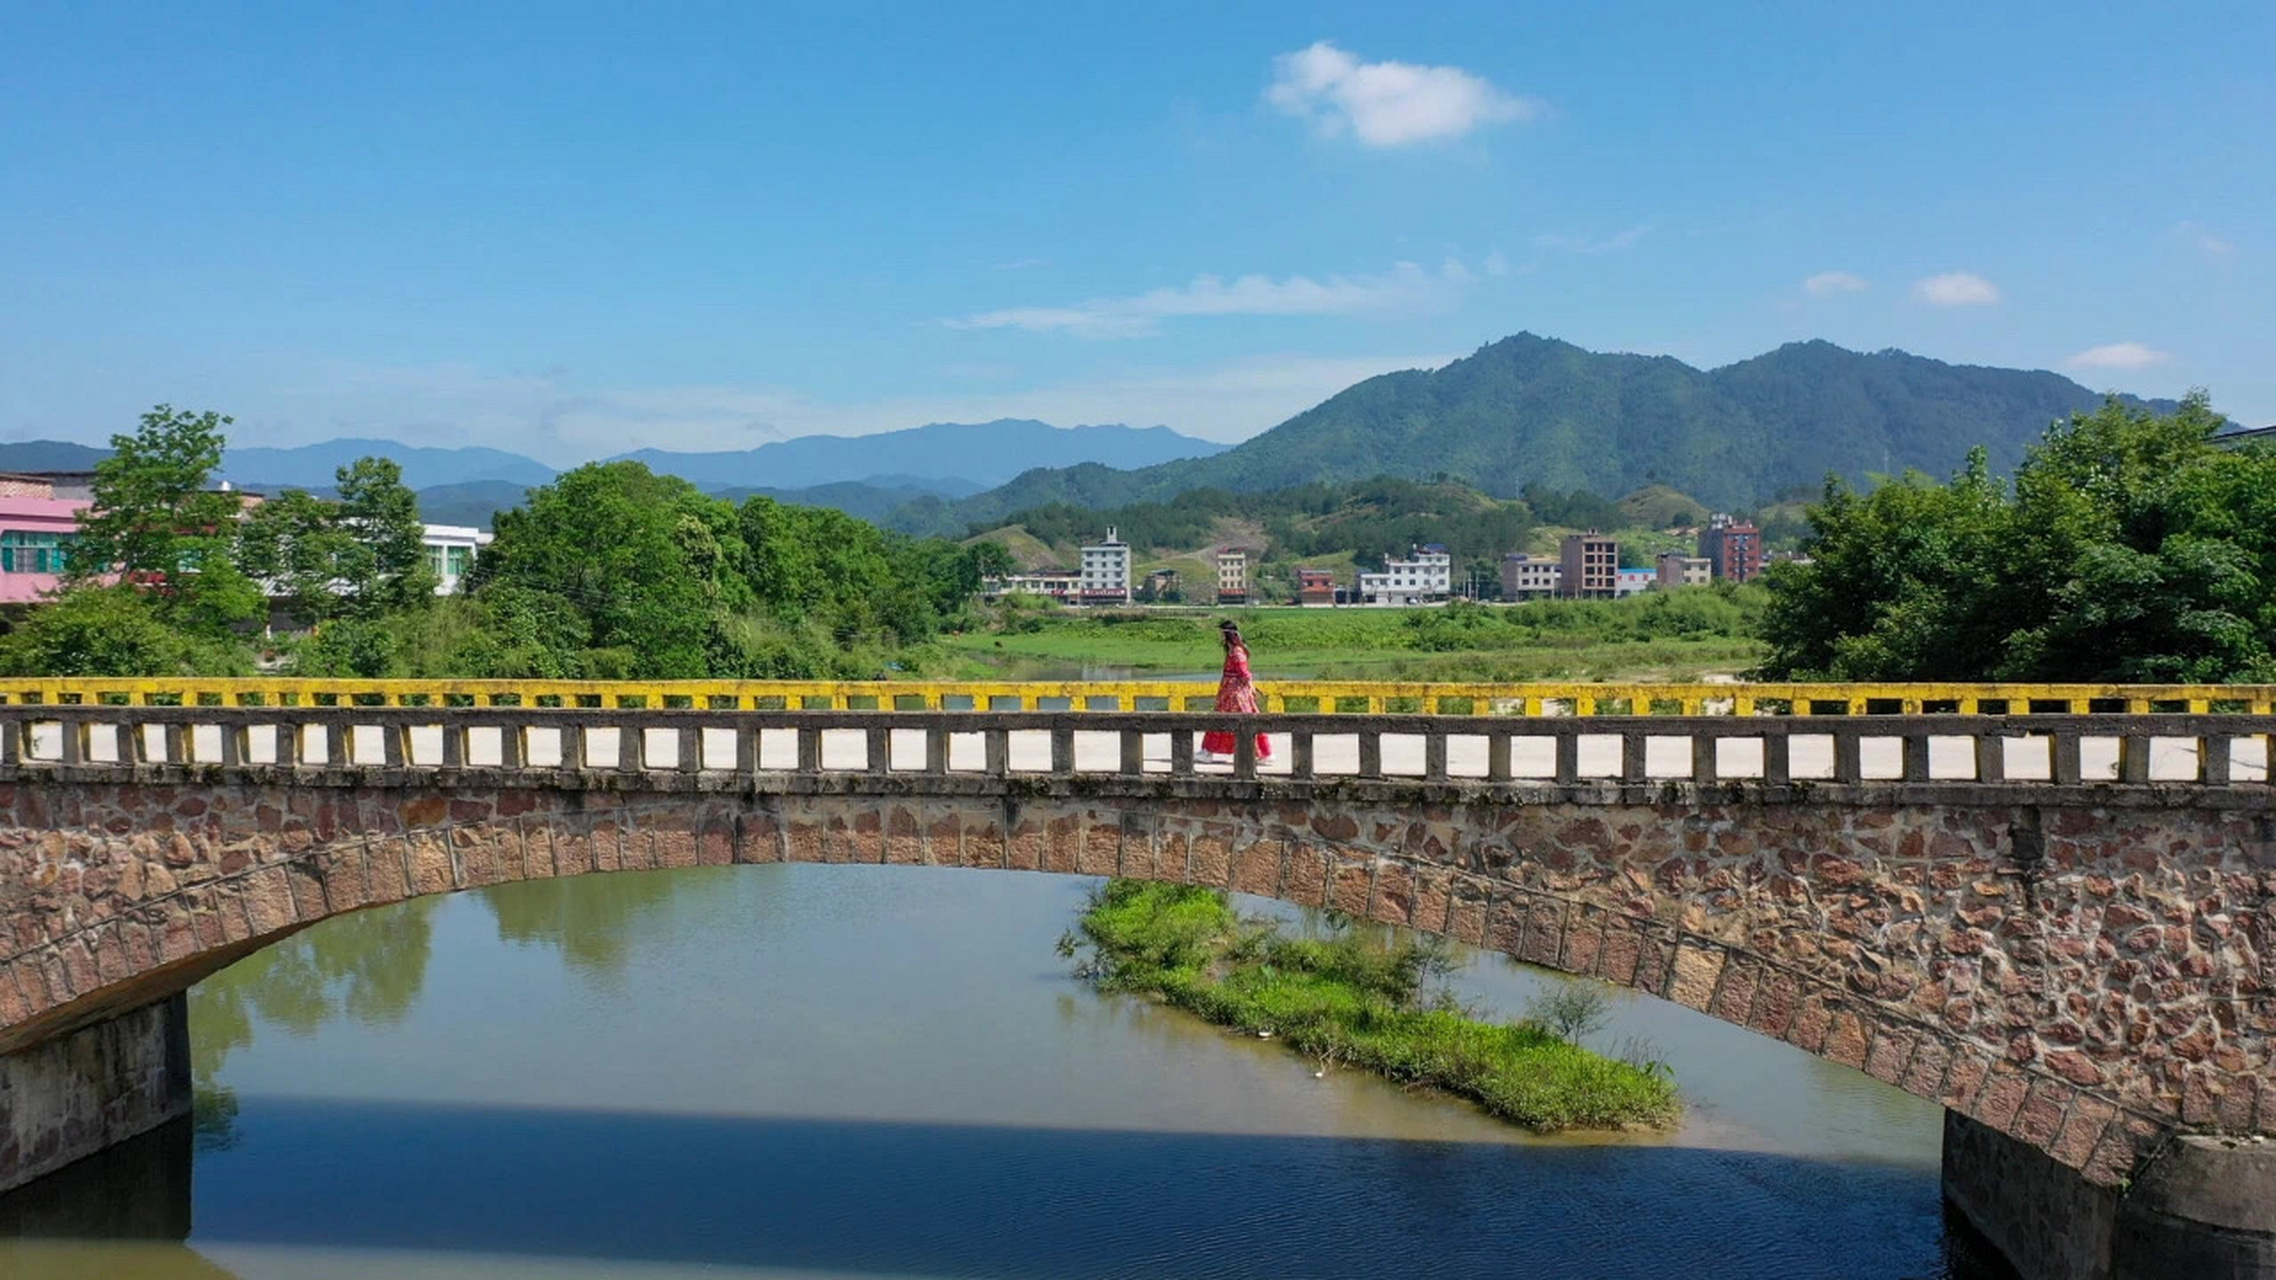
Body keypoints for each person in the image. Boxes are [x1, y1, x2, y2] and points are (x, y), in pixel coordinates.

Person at [1200, 619, 1271, 762]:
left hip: (1235, 692)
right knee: (1229, 719)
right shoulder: (1233, 650)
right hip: (1230, 690)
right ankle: (1259, 752)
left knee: (1233, 719)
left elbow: (1244, 673)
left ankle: (1209, 751)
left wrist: (1249, 686)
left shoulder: (1237, 652)